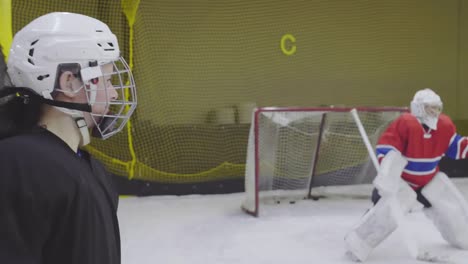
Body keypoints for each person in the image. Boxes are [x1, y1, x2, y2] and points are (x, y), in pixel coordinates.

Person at [0, 12, 137, 264]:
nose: (116, 93)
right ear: (70, 82)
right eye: (107, 80)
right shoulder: (19, 164)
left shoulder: (87, 165)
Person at [344, 88, 468, 262]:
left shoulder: (444, 126)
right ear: (418, 108)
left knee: (451, 207)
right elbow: (389, 148)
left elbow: (457, 146)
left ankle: (464, 238)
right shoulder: (406, 124)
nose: (434, 112)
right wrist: (388, 175)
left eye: (437, 108)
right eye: (429, 108)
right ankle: (356, 245)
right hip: (403, 181)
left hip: (428, 179)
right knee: (383, 214)